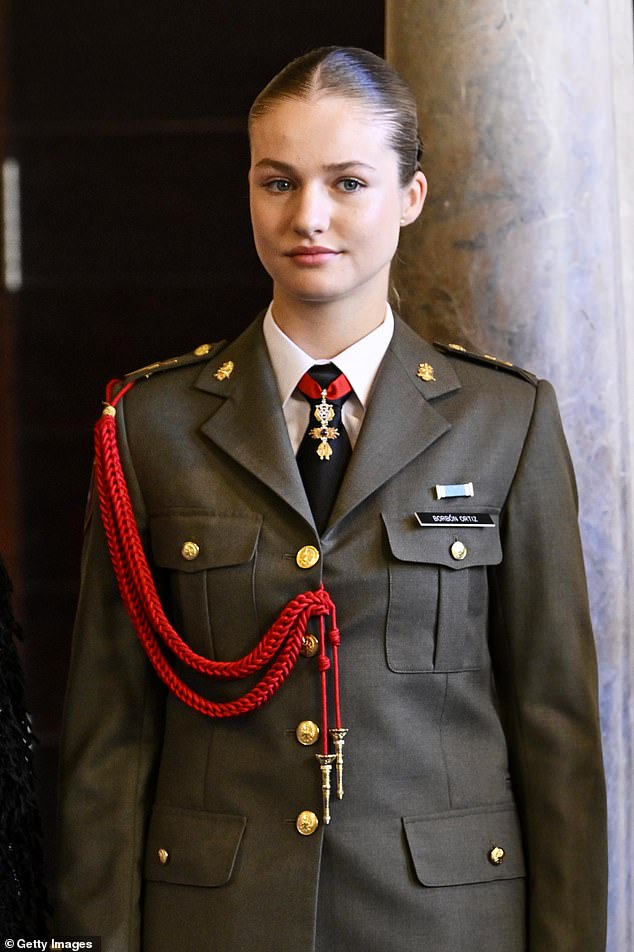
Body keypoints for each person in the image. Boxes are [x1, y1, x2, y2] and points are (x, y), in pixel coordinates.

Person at [56, 46, 607, 952]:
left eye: (348, 182)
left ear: (411, 198)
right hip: (216, 921)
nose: (308, 216)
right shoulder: (147, 425)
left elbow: (556, 732)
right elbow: (107, 744)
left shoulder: (505, 420)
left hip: (447, 920)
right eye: (278, 181)